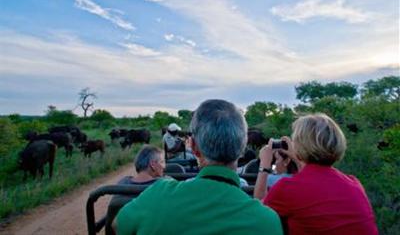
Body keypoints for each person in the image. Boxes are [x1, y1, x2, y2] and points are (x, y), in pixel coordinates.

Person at [114, 99, 283, 235]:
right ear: (243, 146)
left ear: (194, 147)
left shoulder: (157, 194)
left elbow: (117, 226)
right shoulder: (267, 221)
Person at [254, 113, 378, 235]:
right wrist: (297, 157)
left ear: (300, 145)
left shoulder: (288, 188)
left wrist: (264, 166)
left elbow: (257, 216)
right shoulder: (354, 184)